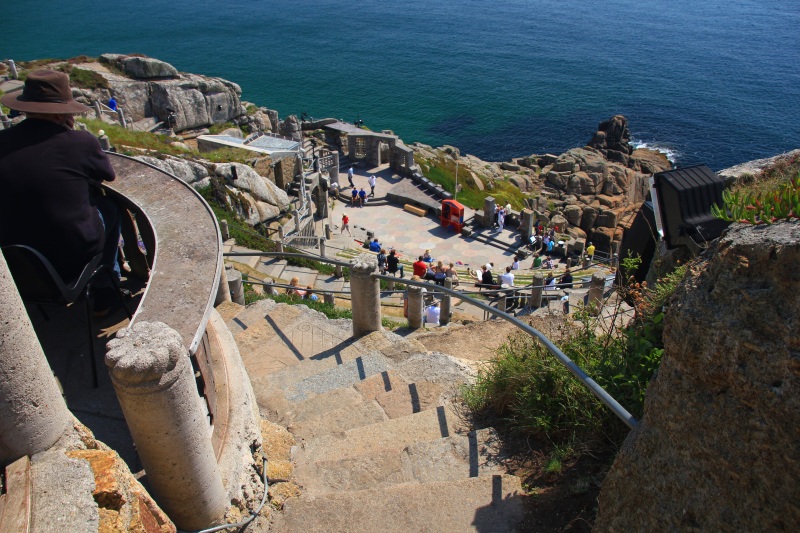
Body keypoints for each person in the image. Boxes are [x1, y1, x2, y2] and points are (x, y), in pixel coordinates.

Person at [0, 70, 121, 315]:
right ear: (62, 111)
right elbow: (107, 175)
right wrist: (72, 134)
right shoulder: (79, 142)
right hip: (69, 259)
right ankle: (105, 291)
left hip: (14, 263)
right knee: (109, 209)